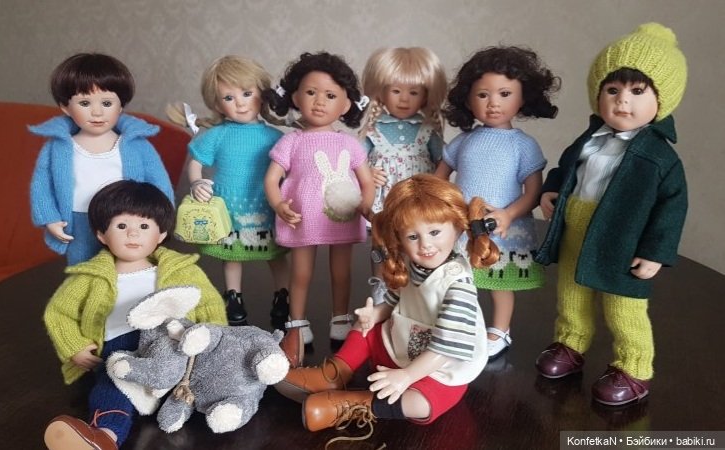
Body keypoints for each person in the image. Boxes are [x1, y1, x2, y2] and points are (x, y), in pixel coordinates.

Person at [534, 23, 688, 407]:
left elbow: (672, 207)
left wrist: (656, 252)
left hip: (624, 240)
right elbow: (567, 168)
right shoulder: (589, 139)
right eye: (613, 90)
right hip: (575, 231)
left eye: (638, 91)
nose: (623, 101)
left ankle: (633, 367)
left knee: (623, 307)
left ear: (662, 100)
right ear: (598, 94)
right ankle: (571, 343)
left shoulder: (659, 157)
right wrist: (552, 189)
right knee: (571, 294)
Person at [274, 174, 498, 435]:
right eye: (412, 236)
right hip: (403, 345)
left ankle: (357, 404)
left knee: (421, 404)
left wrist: (408, 376)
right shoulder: (414, 266)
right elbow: (397, 300)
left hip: (439, 370)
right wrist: (375, 313)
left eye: (435, 232)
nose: (425, 245)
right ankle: (334, 374)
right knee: (367, 327)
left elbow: (446, 350)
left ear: (458, 228)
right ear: (399, 238)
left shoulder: (457, 287)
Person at [42, 180, 227, 450]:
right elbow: (58, 312)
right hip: (119, 347)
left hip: (173, 344)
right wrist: (75, 346)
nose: (132, 234)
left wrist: (212, 342)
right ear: (102, 235)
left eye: (144, 226)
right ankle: (104, 435)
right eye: (121, 226)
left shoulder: (183, 271)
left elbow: (210, 305)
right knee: (113, 383)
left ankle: (223, 406)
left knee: (200, 380)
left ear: (161, 234)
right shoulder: (90, 277)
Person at [435, 46, 560, 360]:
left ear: (523, 98)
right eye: (483, 95)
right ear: (467, 100)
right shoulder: (464, 140)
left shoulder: (523, 145)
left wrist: (509, 213)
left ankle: (500, 330)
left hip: (503, 227)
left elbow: (533, 190)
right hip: (461, 225)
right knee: (458, 278)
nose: (493, 103)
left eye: (505, 94)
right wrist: (440, 206)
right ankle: (457, 325)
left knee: (499, 282)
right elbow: (440, 177)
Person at [263, 51, 375, 367]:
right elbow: (271, 179)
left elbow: (366, 181)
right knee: (301, 273)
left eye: (330, 95)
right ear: (295, 97)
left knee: (341, 272)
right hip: (303, 218)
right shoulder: (292, 141)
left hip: (344, 215)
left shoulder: (350, 143)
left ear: (346, 104)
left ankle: (340, 317)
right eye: (311, 92)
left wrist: (367, 206)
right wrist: (278, 204)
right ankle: (297, 321)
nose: (319, 102)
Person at [170, 55, 290, 329]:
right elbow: (196, 164)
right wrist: (197, 183)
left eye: (247, 93)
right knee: (231, 255)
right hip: (229, 206)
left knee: (276, 255)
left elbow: (288, 168)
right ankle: (233, 297)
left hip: (266, 203)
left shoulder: (274, 137)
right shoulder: (217, 135)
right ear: (217, 103)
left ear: (262, 93)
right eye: (228, 98)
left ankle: (282, 296)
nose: (240, 103)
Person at [30, 53, 173, 266]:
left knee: (126, 267)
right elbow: (42, 185)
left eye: (106, 103)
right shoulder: (58, 147)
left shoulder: (137, 145)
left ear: (120, 105)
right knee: (83, 268)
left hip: (126, 222)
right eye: (84, 103)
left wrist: (161, 217)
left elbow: (159, 183)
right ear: (65, 107)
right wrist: (49, 217)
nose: (97, 112)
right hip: (78, 220)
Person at [359, 47, 447, 304]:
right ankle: (380, 288)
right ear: (381, 91)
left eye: (414, 92)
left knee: (417, 243)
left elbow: (444, 163)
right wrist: (368, 174)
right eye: (396, 91)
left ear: (426, 95)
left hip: (417, 200)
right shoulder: (374, 129)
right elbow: (354, 161)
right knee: (383, 245)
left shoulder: (428, 129)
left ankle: (415, 291)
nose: (404, 99)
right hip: (384, 200)